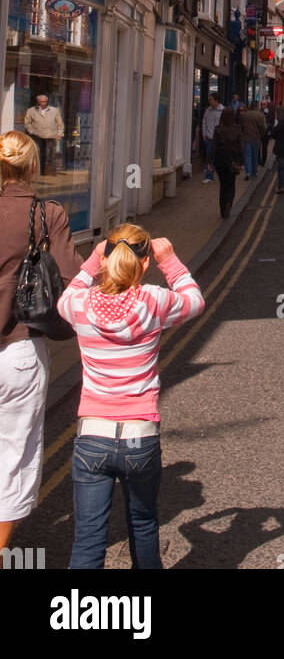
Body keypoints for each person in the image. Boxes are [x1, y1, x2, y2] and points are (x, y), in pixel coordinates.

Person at [57, 223, 204, 569]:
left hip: (93, 434)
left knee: (89, 537)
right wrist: (171, 261)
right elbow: (195, 300)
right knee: (143, 524)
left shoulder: (79, 304)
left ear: (107, 259)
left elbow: (68, 293)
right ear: (145, 264)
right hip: (140, 435)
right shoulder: (154, 300)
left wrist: (92, 261)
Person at [0, 132, 80, 562]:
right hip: (19, 352)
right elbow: (73, 278)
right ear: (33, 167)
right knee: (12, 457)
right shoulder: (47, 213)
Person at [23, 94, 64, 178]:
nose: (43, 103)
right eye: (41, 101)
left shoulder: (54, 110)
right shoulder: (31, 110)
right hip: (37, 134)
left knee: (51, 154)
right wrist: (31, 131)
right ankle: (39, 172)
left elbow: (60, 123)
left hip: (51, 135)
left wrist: (59, 133)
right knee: (38, 153)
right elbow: (27, 122)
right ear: (38, 102)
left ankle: (51, 172)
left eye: (45, 101)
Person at [212, 108, 243, 219]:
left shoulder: (218, 129)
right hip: (232, 160)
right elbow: (240, 148)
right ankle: (229, 202)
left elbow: (214, 147)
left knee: (223, 184)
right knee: (231, 183)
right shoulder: (237, 129)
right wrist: (240, 162)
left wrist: (211, 161)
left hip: (220, 160)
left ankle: (222, 209)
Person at [240, 102, 267, 181]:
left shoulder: (245, 115)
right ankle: (254, 173)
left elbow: (241, 126)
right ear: (257, 106)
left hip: (247, 138)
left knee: (248, 156)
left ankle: (248, 172)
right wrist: (261, 134)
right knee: (255, 156)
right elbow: (264, 127)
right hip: (256, 138)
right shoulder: (260, 115)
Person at [201, 95, 223, 183]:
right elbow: (204, 122)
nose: (209, 101)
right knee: (209, 158)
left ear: (216, 100)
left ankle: (221, 175)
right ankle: (209, 176)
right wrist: (204, 134)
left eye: (211, 99)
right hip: (209, 138)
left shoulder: (223, 110)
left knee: (220, 158)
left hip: (220, 139)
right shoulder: (208, 110)